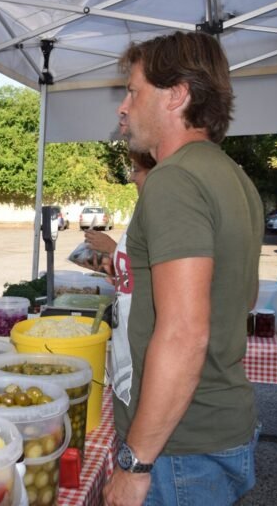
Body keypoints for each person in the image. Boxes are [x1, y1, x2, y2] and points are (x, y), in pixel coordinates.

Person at [104, 31, 264, 506]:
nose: (123, 107)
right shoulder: (232, 176)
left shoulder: (174, 179)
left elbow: (184, 334)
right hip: (213, 430)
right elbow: (241, 300)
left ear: (176, 94)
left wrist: (136, 464)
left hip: (178, 449)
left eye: (133, 90)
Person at [85, 152, 156, 409]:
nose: (132, 177)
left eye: (136, 170)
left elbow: (157, 276)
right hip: (128, 342)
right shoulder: (144, 210)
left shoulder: (161, 213)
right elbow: (135, 273)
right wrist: (113, 267)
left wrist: (111, 248)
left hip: (143, 352)